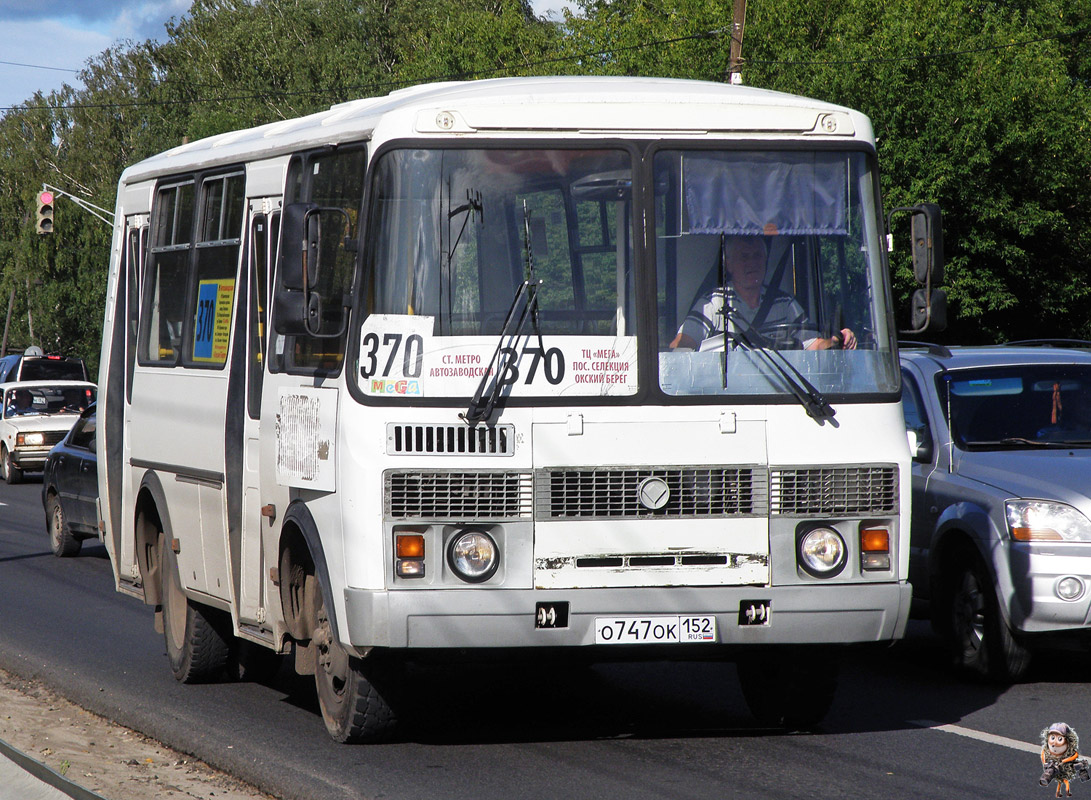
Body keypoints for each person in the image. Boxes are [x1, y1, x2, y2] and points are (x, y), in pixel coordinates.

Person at [669, 236, 856, 351]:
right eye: (744, 257)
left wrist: (837, 341)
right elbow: (682, 345)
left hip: (778, 394)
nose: (752, 263)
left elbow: (810, 345)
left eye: (757, 256)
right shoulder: (714, 303)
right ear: (729, 265)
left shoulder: (785, 303)